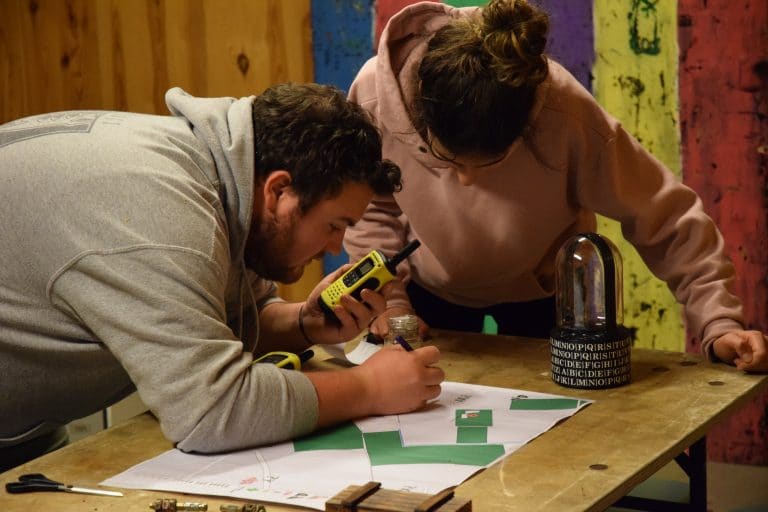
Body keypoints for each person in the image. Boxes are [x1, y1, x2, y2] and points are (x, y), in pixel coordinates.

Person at [0, 83, 444, 472]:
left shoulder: (220, 174)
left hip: (28, 434)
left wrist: (302, 324)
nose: (334, 247)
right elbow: (210, 412)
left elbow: (224, 318)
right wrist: (369, 387)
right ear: (278, 190)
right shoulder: (161, 214)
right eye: (334, 225)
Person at [343, 0, 768, 372]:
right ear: (421, 115)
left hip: (544, 295)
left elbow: (665, 215)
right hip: (423, 296)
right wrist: (391, 302)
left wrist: (719, 322)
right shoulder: (377, 97)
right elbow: (368, 206)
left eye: (489, 164)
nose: (467, 180)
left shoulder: (565, 113)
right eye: (449, 161)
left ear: (526, 126)